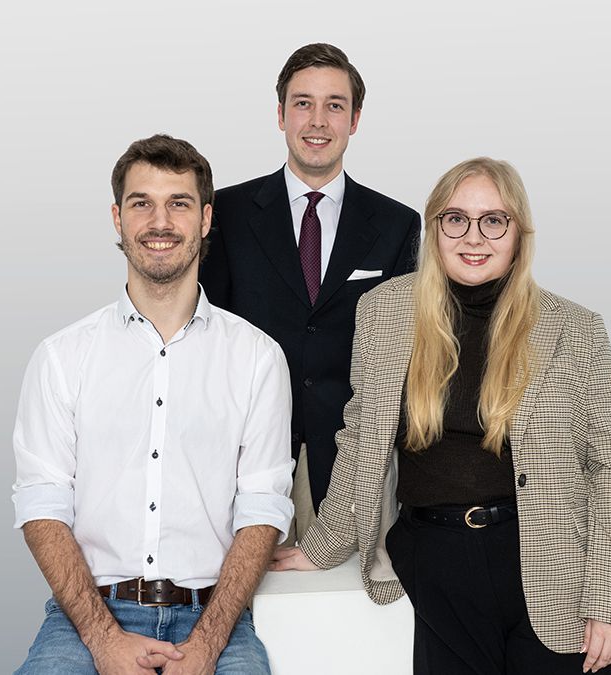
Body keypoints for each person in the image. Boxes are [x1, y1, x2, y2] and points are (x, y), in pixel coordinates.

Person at [271, 158, 611, 674]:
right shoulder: (384, 312)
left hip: (555, 567)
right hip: (436, 565)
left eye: (494, 221)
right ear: (434, 227)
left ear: (519, 233)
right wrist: (323, 546)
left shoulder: (574, 329)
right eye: (456, 219)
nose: (474, 237)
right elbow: (360, 438)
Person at [12, 134, 294, 674]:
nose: (159, 222)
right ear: (117, 218)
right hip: (86, 617)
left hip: (214, 618)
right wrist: (104, 641)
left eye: (178, 203)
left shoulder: (257, 358)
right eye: (142, 203)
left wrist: (207, 644)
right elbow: (41, 506)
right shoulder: (61, 357)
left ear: (206, 219)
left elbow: (262, 509)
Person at [200, 43, 421, 542]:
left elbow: (396, 362)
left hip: (351, 467)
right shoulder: (225, 214)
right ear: (280, 115)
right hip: (242, 462)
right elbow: (207, 337)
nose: (317, 121)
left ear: (355, 119)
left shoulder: (397, 225)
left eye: (334, 105)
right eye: (303, 103)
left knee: (347, 591)